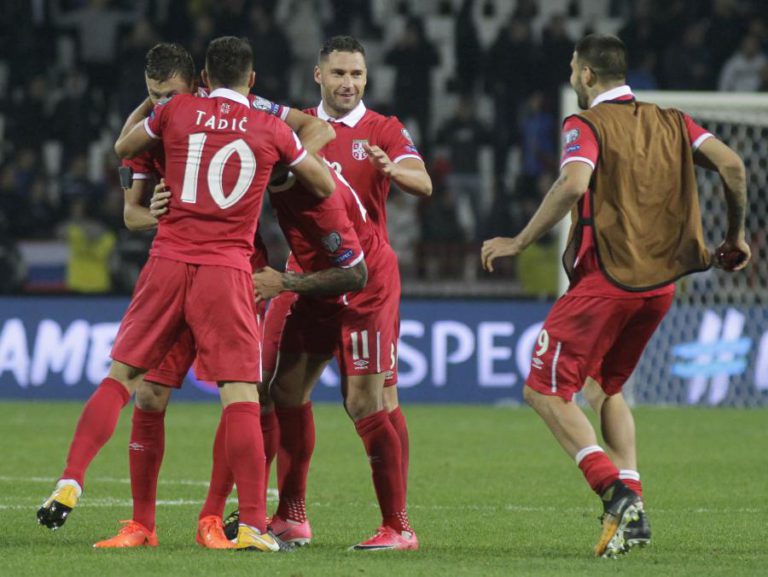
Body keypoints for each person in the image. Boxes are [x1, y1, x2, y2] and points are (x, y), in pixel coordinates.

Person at [37, 36, 335, 552]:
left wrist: (159, 113)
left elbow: (122, 146)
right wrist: (283, 170)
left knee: (122, 378)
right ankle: (241, 525)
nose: (158, 99)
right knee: (234, 394)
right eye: (151, 94)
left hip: (170, 264)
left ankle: (78, 477)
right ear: (251, 79)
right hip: (226, 270)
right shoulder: (265, 124)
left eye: (163, 92)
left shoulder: (175, 115)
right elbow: (325, 184)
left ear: (199, 78)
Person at [481, 33, 750, 558]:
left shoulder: (585, 124)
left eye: (572, 68)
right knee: (604, 387)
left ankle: (615, 492)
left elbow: (573, 184)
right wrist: (735, 236)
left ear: (585, 75)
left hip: (608, 283)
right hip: (660, 288)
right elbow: (734, 165)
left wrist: (519, 240)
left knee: (543, 389)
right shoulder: (674, 121)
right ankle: (637, 510)